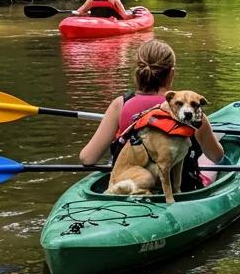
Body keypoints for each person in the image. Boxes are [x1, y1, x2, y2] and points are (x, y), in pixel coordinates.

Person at [79, 39, 224, 191]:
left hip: (133, 183)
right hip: (180, 191)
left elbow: (87, 158)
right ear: (171, 74)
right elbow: (216, 156)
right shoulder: (191, 110)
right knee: (207, 161)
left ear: (138, 72)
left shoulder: (119, 105)